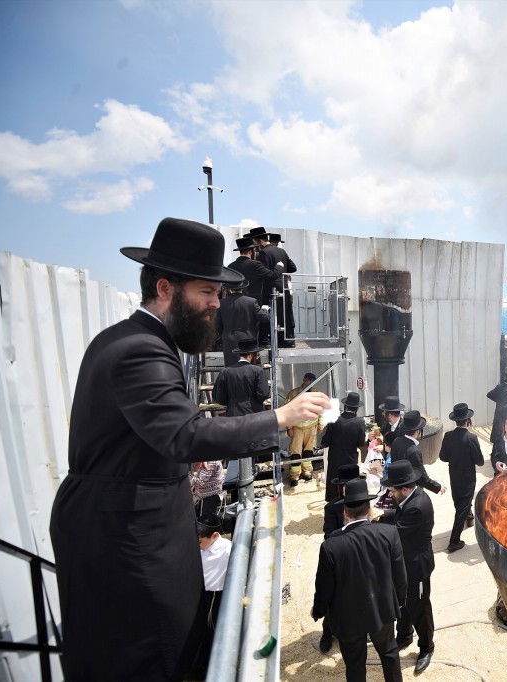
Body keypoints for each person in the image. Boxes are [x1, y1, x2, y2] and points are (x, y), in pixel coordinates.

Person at [50, 217, 330, 681]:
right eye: (208, 293)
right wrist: (281, 416)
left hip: (121, 525)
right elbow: (183, 436)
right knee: (156, 655)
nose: (217, 305)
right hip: (128, 539)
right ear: (166, 287)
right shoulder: (142, 349)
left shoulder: (125, 338)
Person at [313, 479, 407, 682]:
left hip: (348, 616)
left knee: (355, 665)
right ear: (370, 509)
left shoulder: (331, 546)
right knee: (390, 654)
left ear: (344, 513)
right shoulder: (389, 533)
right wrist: (399, 600)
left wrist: (318, 610)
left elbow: (324, 587)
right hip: (382, 609)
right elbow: (400, 573)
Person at [378, 461, 436, 674]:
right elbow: (395, 514)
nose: (389, 493)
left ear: (405, 488)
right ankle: (404, 635)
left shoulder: (417, 507)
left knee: (419, 606)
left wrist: (374, 528)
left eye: (392, 489)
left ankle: (427, 646)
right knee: (402, 601)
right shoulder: (409, 498)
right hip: (405, 563)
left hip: (417, 566)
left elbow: (395, 533)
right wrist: (381, 516)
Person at [318, 463, 367, 655]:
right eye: (345, 485)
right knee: (334, 598)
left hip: (360, 558)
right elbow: (328, 534)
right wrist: (349, 532)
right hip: (339, 557)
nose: (348, 488)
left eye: (352, 484)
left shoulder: (364, 502)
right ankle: (327, 632)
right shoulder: (332, 507)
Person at [438, 403, 484, 553]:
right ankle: (454, 541)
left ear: (455, 420)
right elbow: (480, 461)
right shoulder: (472, 438)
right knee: (462, 506)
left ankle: (468, 516)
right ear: (468, 421)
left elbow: (443, 457)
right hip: (468, 478)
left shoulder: (448, 436)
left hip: (454, 476)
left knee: (460, 501)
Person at [190, 514, 231, 678]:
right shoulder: (200, 546)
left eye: (200, 542)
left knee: (210, 633)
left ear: (214, 535)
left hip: (214, 597)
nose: (198, 545)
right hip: (198, 593)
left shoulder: (227, 549)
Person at [319, 392, 368, 500]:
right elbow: (361, 443)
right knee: (349, 487)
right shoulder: (360, 422)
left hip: (334, 460)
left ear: (345, 406)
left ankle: (334, 505)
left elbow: (325, 442)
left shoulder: (334, 420)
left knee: (334, 487)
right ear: (356, 409)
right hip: (350, 460)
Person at [213, 335, 271, 417]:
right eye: (257, 355)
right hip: (253, 415)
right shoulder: (257, 371)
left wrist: (231, 402)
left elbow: (218, 397)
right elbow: (263, 394)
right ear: (251, 355)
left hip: (233, 415)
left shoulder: (225, 371)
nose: (257, 358)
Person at [390, 411, 446, 496]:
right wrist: (438, 487)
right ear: (418, 430)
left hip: (397, 488)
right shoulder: (413, 451)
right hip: (409, 492)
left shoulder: (396, 441)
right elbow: (422, 477)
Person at [217, 279, 269, 366]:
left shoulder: (222, 303)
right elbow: (264, 318)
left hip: (229, 341)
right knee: (251, 368)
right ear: (243, 288)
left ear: (229, 289)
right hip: (249, 340)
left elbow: (217, 324)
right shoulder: (252, 302)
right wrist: (265, 310)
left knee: (231, 368)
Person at [285, 373, 324, 486]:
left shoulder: (316, 394)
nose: (310, 383)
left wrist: (321, 423)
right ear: (304, 380)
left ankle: (307, 471)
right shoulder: (293, 393)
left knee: (308, 450)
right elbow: (287, 411)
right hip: (298, 427)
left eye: (312, 381)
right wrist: (289, 427)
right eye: (308, 381)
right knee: (296, 451)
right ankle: (294, 475)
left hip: (311, 427)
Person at [227, 236, 280, 308]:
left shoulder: (230, 266)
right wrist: (279, 266)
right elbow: (272, 276)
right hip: (253, 304)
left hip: (234, 304)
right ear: (250, 251)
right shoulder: (255, 264)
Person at [486, 372, 507, 441]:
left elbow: (489, 394)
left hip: (498, 411)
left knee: (497, 428)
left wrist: (498, 401)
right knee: (503, 431)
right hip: (506, 413)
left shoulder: (499, 386)